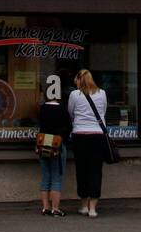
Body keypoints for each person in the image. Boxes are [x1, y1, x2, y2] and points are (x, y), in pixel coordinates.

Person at [67, 69, 109, 217]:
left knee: (82, 170)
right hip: (97, 135)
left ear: (79, 80)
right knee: (96, 170)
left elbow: (70, 113)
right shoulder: (102, 93)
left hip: (80, 135)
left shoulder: (74, 95)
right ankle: (93, 208)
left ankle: (84, 205)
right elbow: (103, 111)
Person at [37, 89, 72, 216]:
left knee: (45, 176)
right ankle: (55, 208)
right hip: (57, 143)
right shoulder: (62, 109)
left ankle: (45, 207)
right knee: (56, 177)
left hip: (43, 142)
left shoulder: (42, 108)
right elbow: (68, 127)